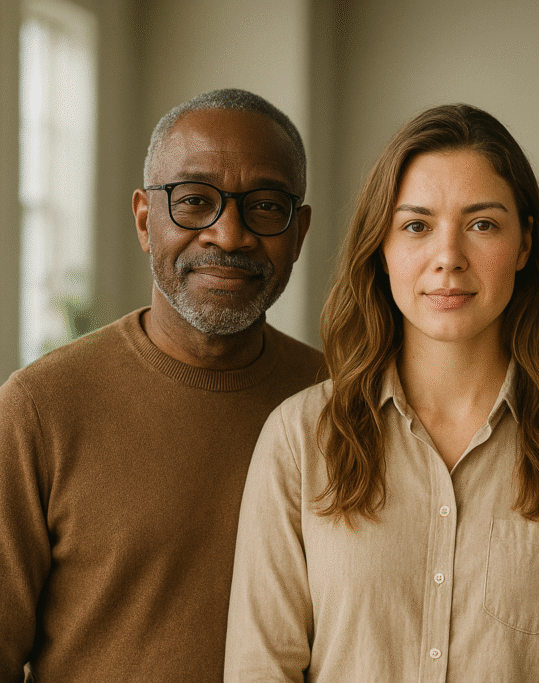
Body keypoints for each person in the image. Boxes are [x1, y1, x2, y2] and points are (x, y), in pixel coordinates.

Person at [223, 104, 539, 682]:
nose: (448, 258)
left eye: (482, 224)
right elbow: (262, 670)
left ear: (525, 243)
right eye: (416, 225)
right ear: (380, 247)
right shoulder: (300, 438)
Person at [0, 89, 325, 682]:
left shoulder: (342, 404)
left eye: (266, 206)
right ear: (145, 220)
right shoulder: (40, 409)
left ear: (298, 232)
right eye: (195, 202)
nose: (229, 235)